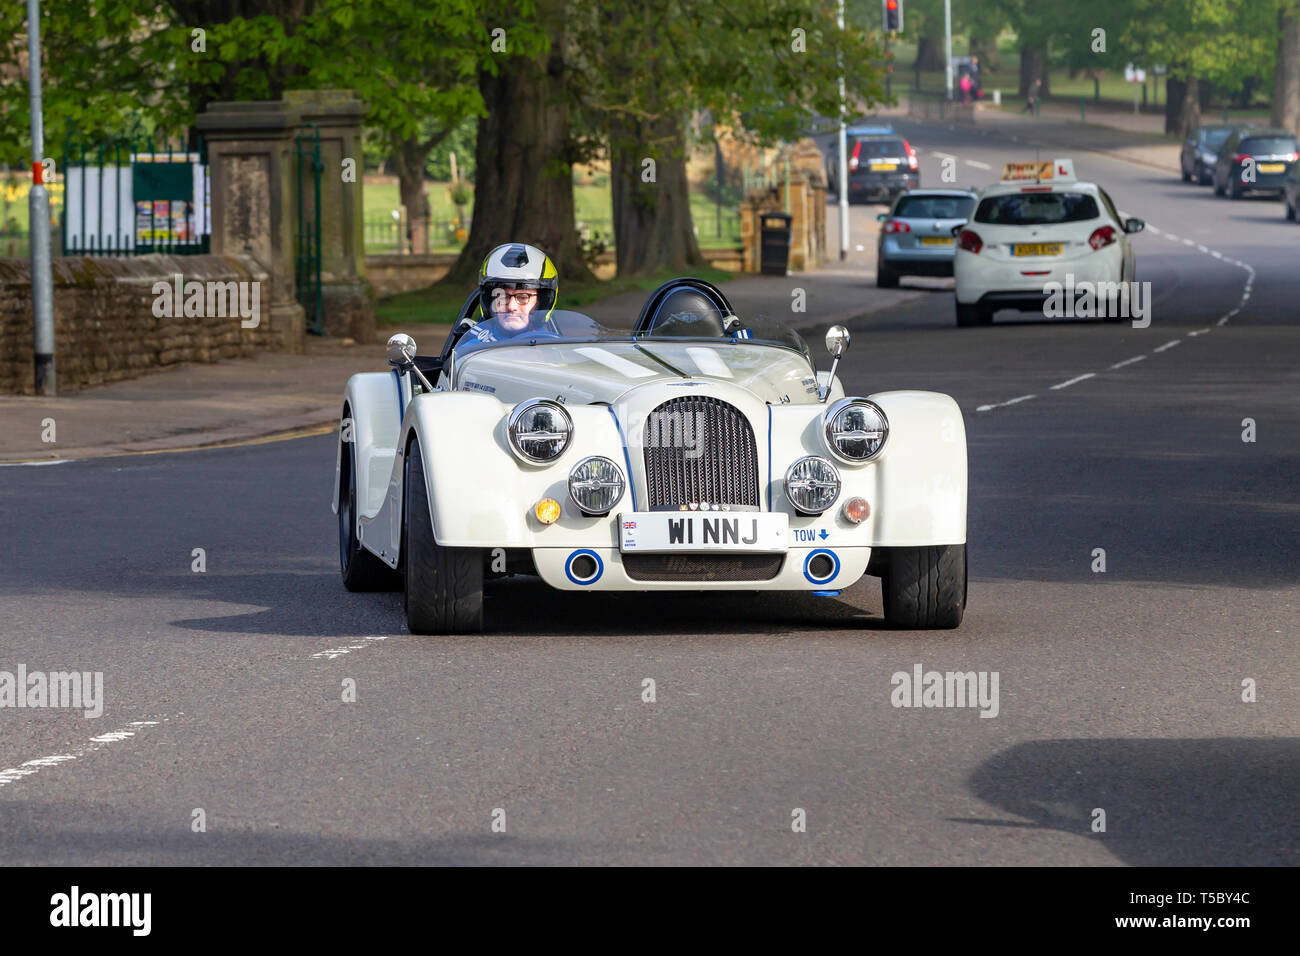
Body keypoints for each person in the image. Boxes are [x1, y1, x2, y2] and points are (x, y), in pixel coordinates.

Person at [463, 242, 560, 344]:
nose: (511, 306)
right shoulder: (472, 350)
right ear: (490, 300)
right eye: (502, 297)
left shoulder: (554, 348)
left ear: (542, 301)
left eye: (523, 297)